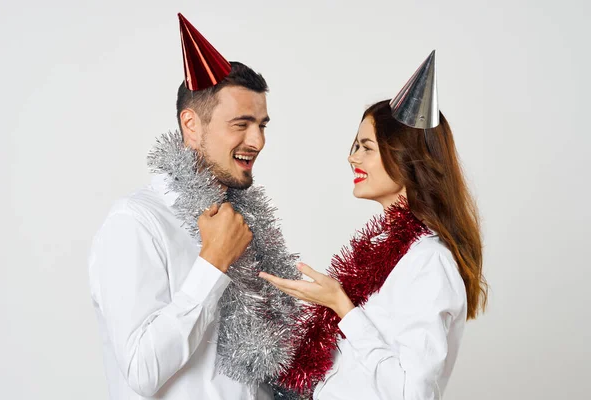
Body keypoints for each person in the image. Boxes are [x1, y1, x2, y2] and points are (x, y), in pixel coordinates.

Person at [89, 14, 300, 400]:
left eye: (263, 125)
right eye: (241, 123)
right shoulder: (136, 222)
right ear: (191, 124)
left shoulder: (247, 225)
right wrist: (213, 263)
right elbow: (140, 368)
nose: (257, 141)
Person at [260, 51, 488, 400]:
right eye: (355, 146)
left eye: (366, 147)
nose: (352, 157)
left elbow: (412, 394)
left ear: (404, 156)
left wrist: (343, 308)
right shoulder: (385, 251)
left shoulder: (429, 261)